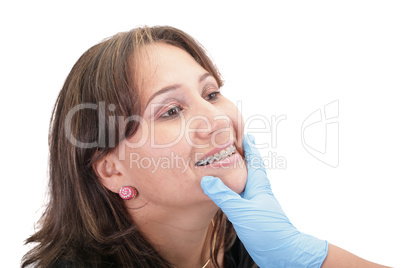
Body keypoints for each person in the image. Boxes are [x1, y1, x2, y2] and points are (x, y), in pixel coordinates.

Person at [22, 26, 389, 268]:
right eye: (170, 111)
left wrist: (307, 257)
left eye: (211, 93)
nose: (216, 119)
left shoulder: (247, 243)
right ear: (112, 170)